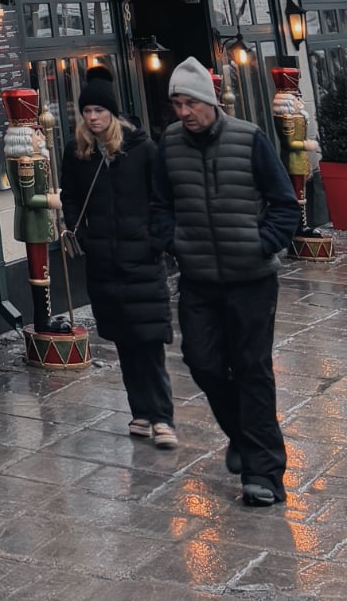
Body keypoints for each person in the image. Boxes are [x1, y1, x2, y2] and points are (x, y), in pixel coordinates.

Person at [150, 56, 301, 507]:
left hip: (252, 279)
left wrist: (262, 243)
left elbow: (285, 203)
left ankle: (264, 475)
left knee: (252, 369)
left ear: (209, 101)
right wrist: (173, 241)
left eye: (190, 104)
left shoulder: (249, 139)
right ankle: (241, 434)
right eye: (177, 105)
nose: (183, 113)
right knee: (202, 362)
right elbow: (160, 204)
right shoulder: (169, 144)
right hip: (199, 280)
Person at [59, 72, 175, 447]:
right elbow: (70, 195)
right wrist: (83, 234)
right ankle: (140, 412)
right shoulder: (78, 152)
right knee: (125, 341)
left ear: (112, 112)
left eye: (99, 110)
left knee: (149, 341)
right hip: (104, 262)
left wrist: (155, 239)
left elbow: (162, 196)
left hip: (141, 258)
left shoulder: (142, 149)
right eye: (87, 111)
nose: (93, 117)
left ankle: (162, 417)